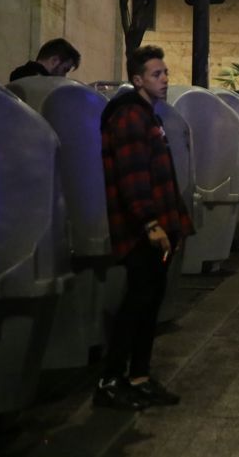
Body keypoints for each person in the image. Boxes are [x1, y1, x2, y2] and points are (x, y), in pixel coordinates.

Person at [95, 45, 193, 409]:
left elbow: (161, 177)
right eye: (156, 74)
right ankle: (110, 381)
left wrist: (175, 225)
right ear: (137, 79)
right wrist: (151, 224)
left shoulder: (147, 116)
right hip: (140, 230)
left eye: (165, 73)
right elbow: (133, 177)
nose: (165, 79)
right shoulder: (130, 117)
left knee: (148, 302)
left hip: (157, 227)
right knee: (136, 303)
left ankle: (138, 376)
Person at [9, 37, 82, 81]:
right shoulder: (43, 86)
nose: (64, 76)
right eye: (65, 70)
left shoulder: (19, 75)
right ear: (54, 61)